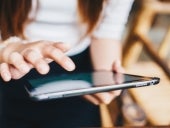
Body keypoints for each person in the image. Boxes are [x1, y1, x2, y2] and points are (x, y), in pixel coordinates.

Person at [0, 0, 134, 127]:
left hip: (79, 74)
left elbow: (107, 31)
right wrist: (6, 49)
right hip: (11, 62)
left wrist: (104, 79)